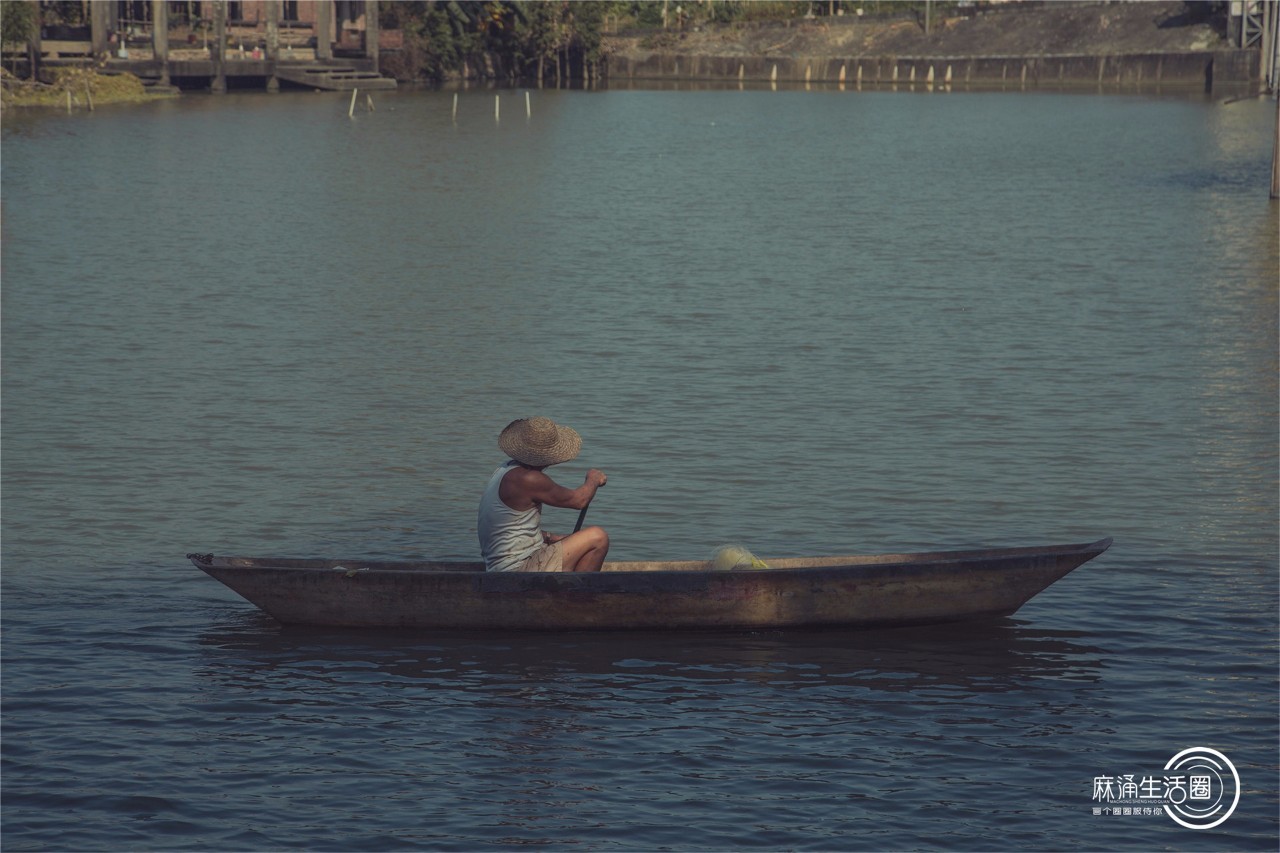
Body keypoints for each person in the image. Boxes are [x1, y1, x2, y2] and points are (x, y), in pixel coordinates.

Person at [477, 417, 609, 573]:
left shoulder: (504, 469)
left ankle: (572, 592)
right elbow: (579, 500)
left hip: (501, 566)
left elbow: (511, 528)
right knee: (598, 537)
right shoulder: (529, 479)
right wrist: (592, 479)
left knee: (577, 541)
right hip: (516, 570)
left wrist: (550, 537)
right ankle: (578, 596)